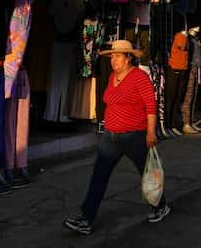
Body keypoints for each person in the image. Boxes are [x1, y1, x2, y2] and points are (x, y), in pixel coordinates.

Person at [64, 40, 169, 236]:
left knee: (148, 174)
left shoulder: (140, 77)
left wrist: (151, 132)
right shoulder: (113, 77)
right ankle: (86, 219)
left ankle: (160, 205)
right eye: (112, 56)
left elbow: (150, 105)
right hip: (110, 137)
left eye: (118, 56)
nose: (113, 60)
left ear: (129, 58)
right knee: (99, 177)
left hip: (134, 136)